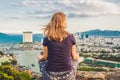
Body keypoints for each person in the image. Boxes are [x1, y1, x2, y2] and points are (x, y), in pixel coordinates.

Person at [37, 12, 79, 80]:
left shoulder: (47, 38)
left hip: (49, 75)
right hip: (68, 75)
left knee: (41, 61)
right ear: (64, 23)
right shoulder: (70, 37)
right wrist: (77, 56)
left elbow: (45, 57)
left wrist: (39, 58)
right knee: (73, 60)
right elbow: (74, 57)